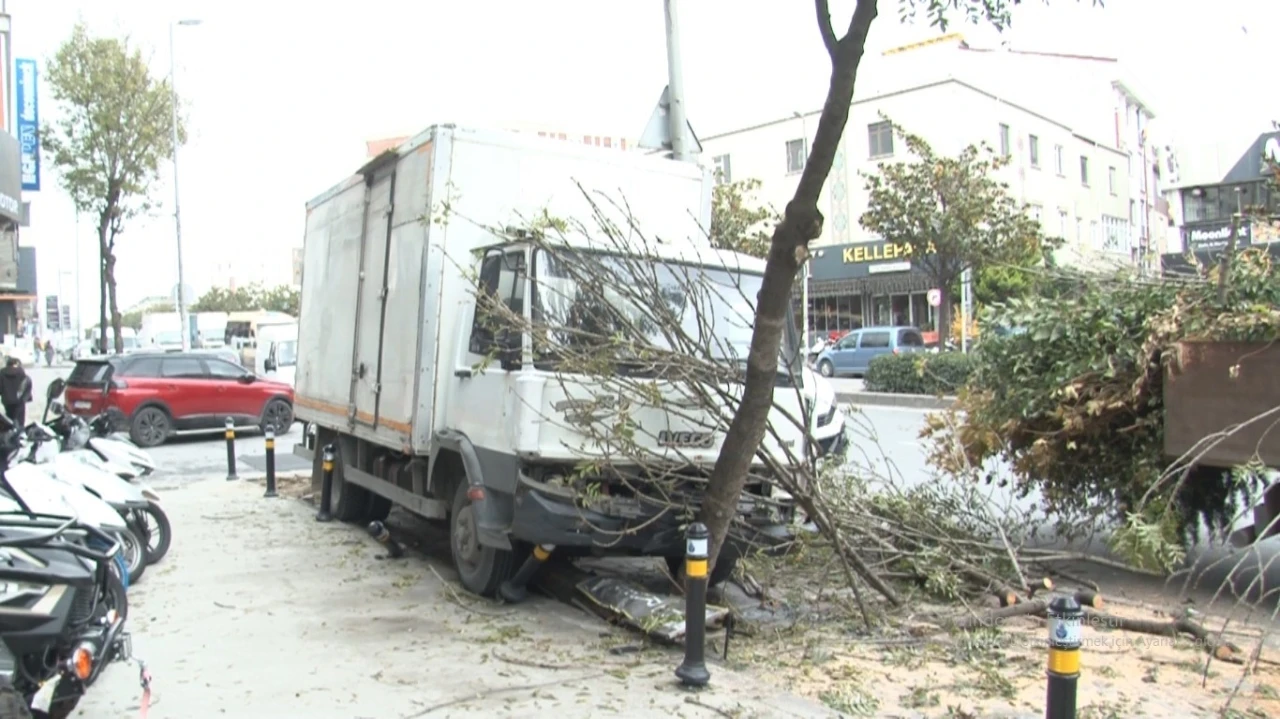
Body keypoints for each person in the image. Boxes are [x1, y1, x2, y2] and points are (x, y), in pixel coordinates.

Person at [0, 357, 32, 429]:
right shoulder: (21, 372)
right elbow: (26, 384)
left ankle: (10, 433)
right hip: (20, 401)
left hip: (7, 401)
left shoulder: (2, 372)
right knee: (19, 420)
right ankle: (19, 433)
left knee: (9, 419)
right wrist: (26, 398)